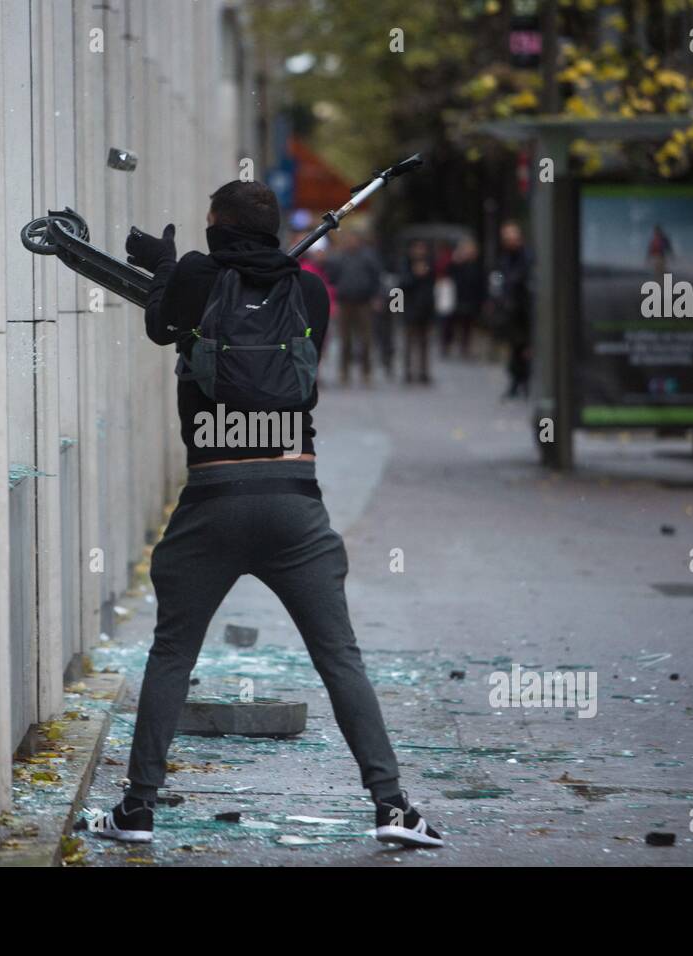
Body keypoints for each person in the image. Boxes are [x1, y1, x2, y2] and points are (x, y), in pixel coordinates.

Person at [76, 180, 443, 848]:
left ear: (217, 226)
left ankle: (137, 810)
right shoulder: (310, 292)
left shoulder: (193, 277)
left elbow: (163, 325)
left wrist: (165, 266)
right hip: (294, 501)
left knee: (171, 655)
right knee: (340, 658)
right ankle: (393, 808)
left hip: (212, 499)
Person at [326, 228, 384, 386]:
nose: (350, 242)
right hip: (344, 302)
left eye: (353, 238)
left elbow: (377, 278)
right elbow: (331, 277)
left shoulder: (368, 256)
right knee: (345, 340)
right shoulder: (339, 257)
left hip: (363, 302)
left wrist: (377, 296)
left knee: (365, 339)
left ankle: (366, 372)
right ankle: (344, 372)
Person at [496, 220, 533, 399]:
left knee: (525, 346)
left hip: (525, 308)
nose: (509, 241)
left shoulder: (525, 256)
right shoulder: (506, 258)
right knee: (515, 347)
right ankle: (516, 381)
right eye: (506, 238)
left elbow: (520, 278)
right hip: (512, 309)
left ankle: (524, 381)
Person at [443, 235, 485, 359]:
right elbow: (448, 275)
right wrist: (455, 262)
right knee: (450, 322)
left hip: (471, 298)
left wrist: (482, 299)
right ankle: (447, 345)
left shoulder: (477, 264)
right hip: (457, 297)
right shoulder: (456, 263)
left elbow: (481, 282)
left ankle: (465, 347)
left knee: (468, 325)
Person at [400, 239, 436, 384]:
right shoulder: (405, 264)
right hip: (410, 308)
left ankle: (424, 372)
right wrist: (415, 275)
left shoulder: (430, 265)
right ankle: (408, 371)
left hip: (426, 309)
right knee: (409, 342)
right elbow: (401, 284)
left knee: (425, 343)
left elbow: (433, 287)